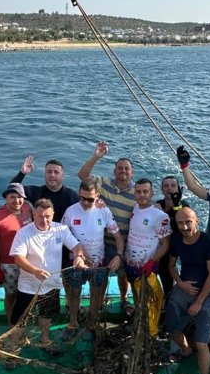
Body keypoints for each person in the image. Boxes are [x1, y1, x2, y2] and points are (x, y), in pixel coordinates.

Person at [9, 199, 87, 348]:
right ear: (33, 214)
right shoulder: (23, 233)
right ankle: (14, 344)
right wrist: (34, 271)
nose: (44, 220)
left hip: (51, 285)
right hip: (28, 286)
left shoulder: (61, 229)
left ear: (53, 215)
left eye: (48, 216)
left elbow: (76, 246)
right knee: (20, 318)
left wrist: (78, 256)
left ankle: (44, 339)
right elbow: (18, 258)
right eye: (40, 216)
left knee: (47, 314)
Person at [164, 208, 210, 374]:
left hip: (206, 293)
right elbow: (171, 267)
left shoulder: (207, 242)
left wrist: (199, 302)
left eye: (188, 222)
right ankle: (185, 350)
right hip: (184, 288)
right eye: (180, 223)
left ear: (197, 220)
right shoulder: (177, 240)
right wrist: (181, 283)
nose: (185, 227)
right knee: (172, 329)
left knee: (202, 343)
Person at [77, 141, 137, 311]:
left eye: (126, 168)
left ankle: (125, 298)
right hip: (103, 242)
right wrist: (96, 156)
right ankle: (99, 301)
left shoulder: (137, 191)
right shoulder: (102, 183)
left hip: (125, 243)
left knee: (123, 274)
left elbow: (147, 206)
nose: (123, 171)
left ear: (132, 172)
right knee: (101, 276)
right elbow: (82, 175)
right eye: (120, 168)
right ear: (114, 171)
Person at [61, 179, 123, 336]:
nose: (85, 202)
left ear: (97, 196)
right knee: (74, 292)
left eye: (90, 199)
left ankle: (92, 323)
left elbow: (118, 238)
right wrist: (79, 253)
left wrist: (119, 255)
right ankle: (73, 323)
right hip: (76, 262)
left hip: (99, 262)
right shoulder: (70, 211)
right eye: (81, 198)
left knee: (96, 293)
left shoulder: (104, 211)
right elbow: (62, 235)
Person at [124, 179, 172, 331]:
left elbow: (165, 244)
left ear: (152, 193)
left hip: (147, 266)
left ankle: (150, 330)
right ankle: (138, 319)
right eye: (138, 191)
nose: (142, 195)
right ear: (134, 193)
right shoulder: (135, 208)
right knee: (137, 295)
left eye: (145, 191)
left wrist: (153, 261)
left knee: (149, 299)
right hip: (131, 263)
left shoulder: (159, 216)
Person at [0, 182, 33, 324]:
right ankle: (12, 324)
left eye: (20, 197)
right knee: (11, 295)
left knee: (27, 295)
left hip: (29, 261)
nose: (17, 201)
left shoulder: (28, 208)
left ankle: (24, 321)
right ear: (6, 198)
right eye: (12, 197)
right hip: (9, 264)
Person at [8, 156, 79, 221]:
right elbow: (11, 190)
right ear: (45, 174)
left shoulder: (72, 196)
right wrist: (22, 173)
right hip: (38, 232)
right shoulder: (35, 192)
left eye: (56, 172)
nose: (52, 175)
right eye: (49, 172)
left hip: (63, 232)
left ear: (63, 176)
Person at [155, 174, 186, 299]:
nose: (170, 188)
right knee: (164, 273)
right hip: (163, 246)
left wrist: (176, 203)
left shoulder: (184, 205)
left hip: (178, 247)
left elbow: (182, 221)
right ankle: (166, 298)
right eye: (166, 186)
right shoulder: (158, 204)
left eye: (173, 186)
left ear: (178, 189)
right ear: (162, 189)